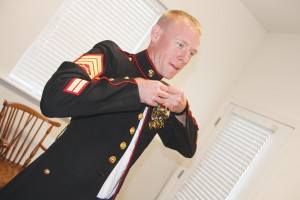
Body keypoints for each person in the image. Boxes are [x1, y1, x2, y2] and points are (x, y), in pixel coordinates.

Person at [0, 9, 201, 200]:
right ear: (156, 34)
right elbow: (56, 95)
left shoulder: (166, 98)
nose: (184, 58)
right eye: (180, 45)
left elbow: (187, 148)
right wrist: (133, 90)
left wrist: (181, 111)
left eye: (192, 53)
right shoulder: (112, 57)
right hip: (49, 189)